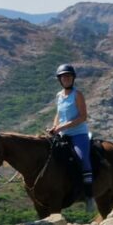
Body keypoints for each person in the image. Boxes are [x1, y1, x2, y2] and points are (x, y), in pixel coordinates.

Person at [48, 64, 92, 194]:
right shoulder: (59, 96)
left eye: (68, 76)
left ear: (73, 78)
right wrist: (55, 127)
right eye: (63, 77)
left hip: (78, 134)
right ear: (60, 80)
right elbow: (59, 114)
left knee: (82, 158)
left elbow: (83, 117)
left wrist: (63, 126)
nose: (66, 79)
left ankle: (88, 193)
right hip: (62, 134)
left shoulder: (77, 94)